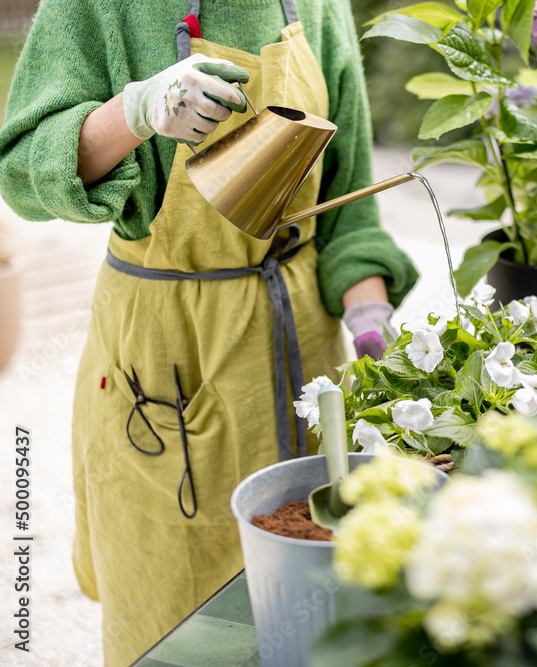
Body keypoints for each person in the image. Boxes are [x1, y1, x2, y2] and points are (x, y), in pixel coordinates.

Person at [0, 0, 417, 663]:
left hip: (304, 362)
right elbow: (22, 170)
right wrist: (134, 113)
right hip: (165, 361)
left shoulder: (318, 6)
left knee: (317, 615)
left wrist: (371, 320)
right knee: (172, 617)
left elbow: (352, 210)